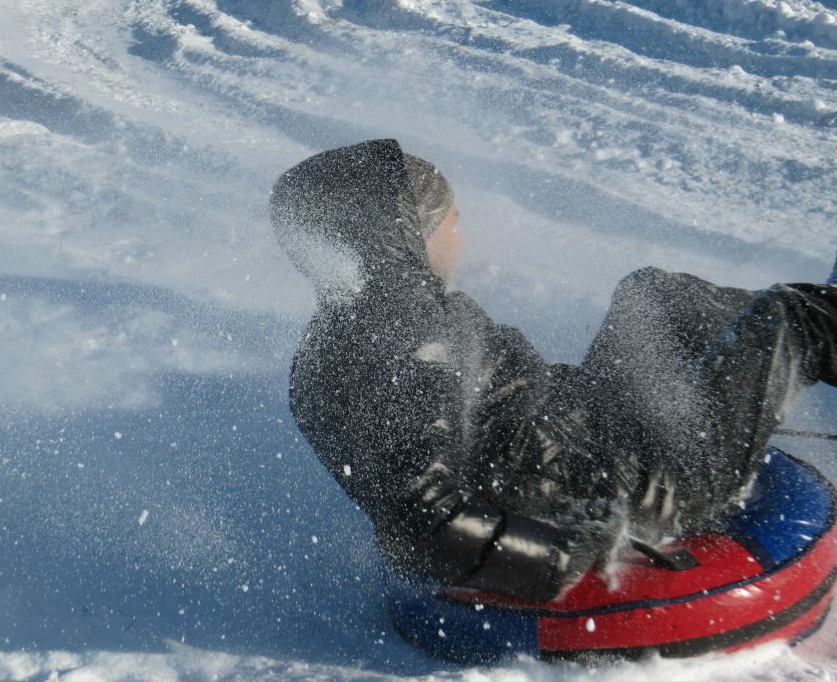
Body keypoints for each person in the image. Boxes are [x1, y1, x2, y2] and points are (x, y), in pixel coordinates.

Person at [269, 139, 837, 602]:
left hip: (586, 441)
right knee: (790, 317)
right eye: (453, 220)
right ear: (412, 228)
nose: (463, 238)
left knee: (652, 296)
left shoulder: (348, 327)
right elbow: (423, 519)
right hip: (644, 483)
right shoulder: (406, 330)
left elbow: (472, 421)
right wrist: (561, 554)